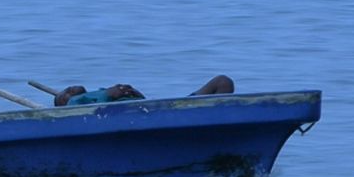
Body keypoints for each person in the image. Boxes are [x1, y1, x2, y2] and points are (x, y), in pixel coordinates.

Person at [53, 75, 234, 107]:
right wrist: (110, 93)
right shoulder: (74, 103)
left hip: (162, 109)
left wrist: (134, 93)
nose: (69, 89)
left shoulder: (93, 94)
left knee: (223, 82)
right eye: (65, 93)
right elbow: (74, 107)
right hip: (162, 115)